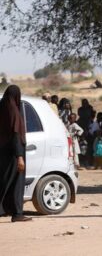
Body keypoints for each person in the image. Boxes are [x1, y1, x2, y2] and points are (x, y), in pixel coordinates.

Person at [0, 85, 32, 222]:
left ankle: (7, 211)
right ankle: (17, 214)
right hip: (13, 154)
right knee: (17, 184)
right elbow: (15, 134)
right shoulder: (13, 111)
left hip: (3, 152)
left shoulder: (2, 108)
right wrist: (19, 156)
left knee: (4, 182)